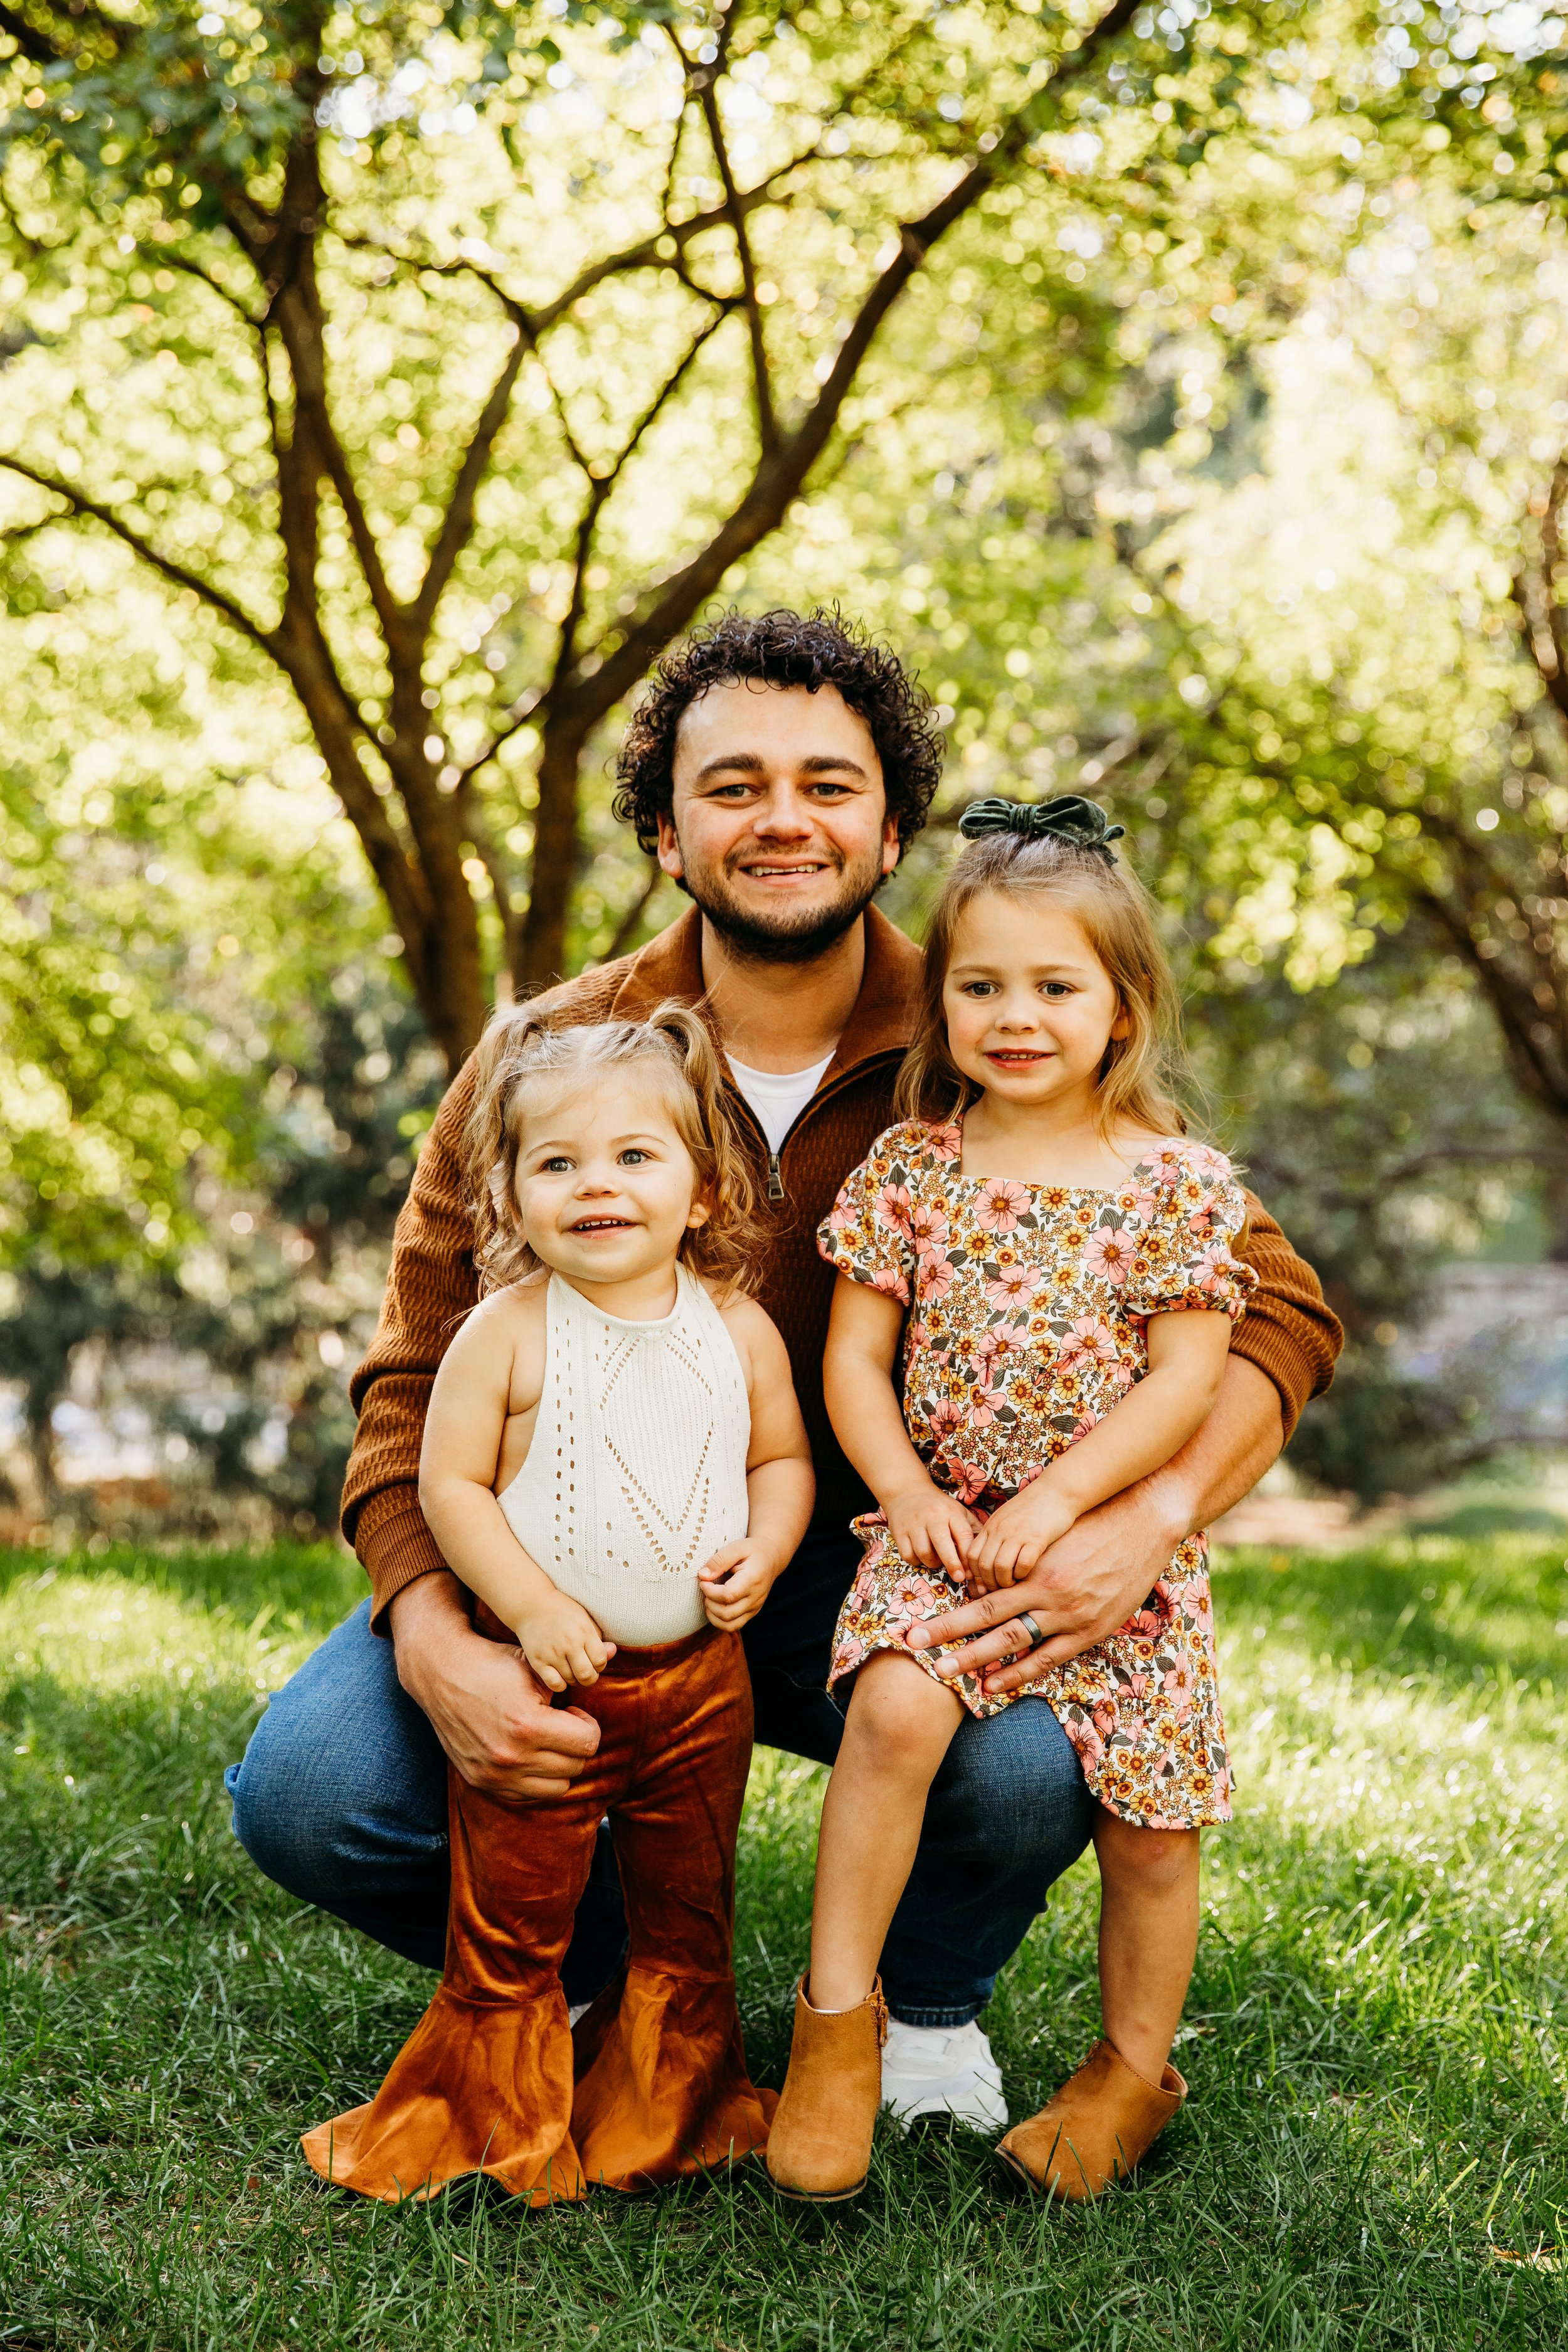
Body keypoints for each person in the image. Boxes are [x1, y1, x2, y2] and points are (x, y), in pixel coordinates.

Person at [226, 609, 1342, 2134]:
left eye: (827, 784)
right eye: (732, 784)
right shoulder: (550, 1055)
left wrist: (1137, 1527)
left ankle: (922, 2009)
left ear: (890, 830)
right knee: (313, 1788)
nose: (782, 820)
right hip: (562, 1566)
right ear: (667, 833)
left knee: (1019, 1762)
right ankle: (625, 1982)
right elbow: (412, 1378)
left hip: (893, 1557)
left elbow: (1276, 1312)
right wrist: (430, 1629)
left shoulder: (987, 1027)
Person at [765, 795, 1253, 2203]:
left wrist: (1070, 1502)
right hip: (946, 1530)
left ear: (1122, 1006)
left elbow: (1181, 1385)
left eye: (1054, 986)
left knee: (1152, 1830)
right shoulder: (915, 1165)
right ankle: (836, 2027)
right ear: (941, 1003)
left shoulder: (1175, 1186)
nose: (1013, 1014)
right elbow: (853, 1357)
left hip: (1112, 1553)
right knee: (897, 1709)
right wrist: (907, 1489)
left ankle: (1125, 2079)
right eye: (978, 985)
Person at [304, 1006, 813, 2201]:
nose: (598, 1185)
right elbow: (450, 1484)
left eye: (636, 1157)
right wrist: (527, 1606)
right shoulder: (507, 1329)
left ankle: (672, 2113)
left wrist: (771, 1546)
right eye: (559, 1163)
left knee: (690, 1907)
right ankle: (496, 2116)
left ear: (699, 1189)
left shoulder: (734, 1327)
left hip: (699, 1685)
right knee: (514, 1914)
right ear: (513, 1196)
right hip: (546, 1680)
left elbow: (779, 1461)